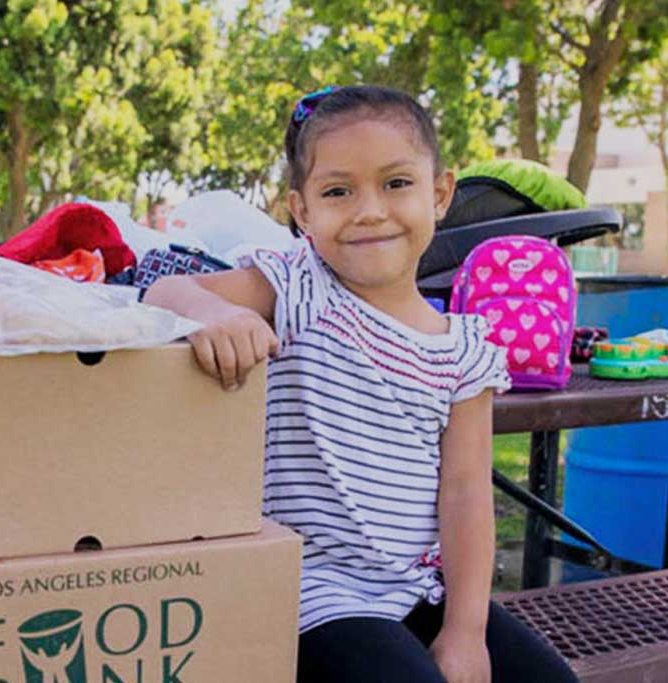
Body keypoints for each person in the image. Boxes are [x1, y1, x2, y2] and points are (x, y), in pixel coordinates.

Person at [143, 85, 578, 683]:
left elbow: (467, 492)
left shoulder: (465, 347)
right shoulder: (299, 285)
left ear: (441, 192)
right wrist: (219, 316)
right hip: (310, 592)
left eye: (397, 183)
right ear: (302, 211)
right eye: (338, 191)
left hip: (417, 590)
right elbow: (165, 294)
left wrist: (466, 631)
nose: (369, 210)